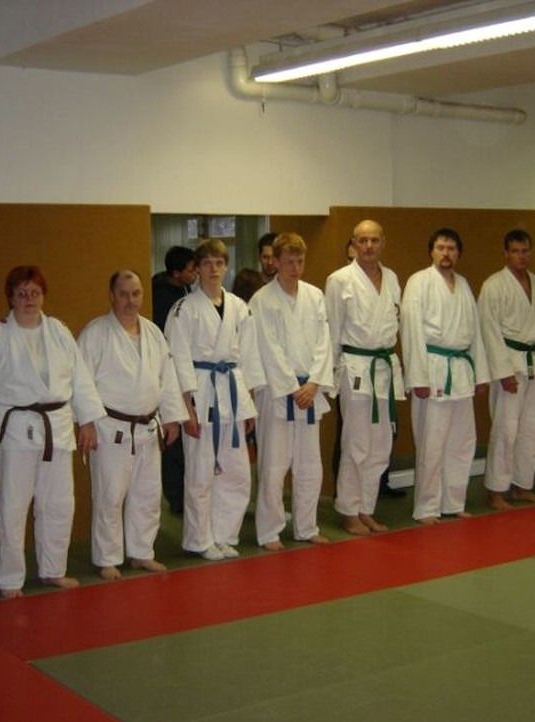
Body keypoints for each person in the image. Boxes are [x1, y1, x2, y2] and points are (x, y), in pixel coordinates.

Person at [0, 266, 104, 598]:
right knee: (12, 506)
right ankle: (10, 579)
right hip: (15, 431)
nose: (29, 299)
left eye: (35, 293)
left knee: (59, 504)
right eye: (22, 294)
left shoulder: (59, 331)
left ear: (44, 296)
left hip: (57, 426)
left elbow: (80, 379)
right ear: (10, 298)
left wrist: (87, 420)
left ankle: (53, 570)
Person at [77, 270, 187, 580]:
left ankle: (142, 552)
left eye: (136, 294)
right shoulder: (95, 333)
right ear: (112, 296)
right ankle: (107, 558)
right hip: (110, 428)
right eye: (123, 294)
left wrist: (171, 417)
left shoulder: (153, 332)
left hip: (148, 427)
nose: (130, 300)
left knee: (147, 494)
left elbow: (167, 379)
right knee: (109, 496)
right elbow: (81, 382)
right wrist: (86, 422)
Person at [164, 239, 265, 560]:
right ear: (196, 269)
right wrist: (186, 408)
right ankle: (199, 539)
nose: (213, 269)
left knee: (237, 471)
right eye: (206, 263)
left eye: (219, 263)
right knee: (201, 472)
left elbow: (249, 356)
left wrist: (249, 404)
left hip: (233, 394)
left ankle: (224, 534)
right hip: (201, 393)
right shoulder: (184, 309)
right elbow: (177, 359)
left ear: (226, 266)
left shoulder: (239, 307)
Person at [249, 232, 333, 550]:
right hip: (277, 393)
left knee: (310, 465)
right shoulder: (262, 300)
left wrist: (314, 383)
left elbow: (324, 342)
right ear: (275, 262)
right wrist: (293, 386)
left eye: (300, 261)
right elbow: (268, 348)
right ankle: (269, 531)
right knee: (274, 465)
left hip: (310, 391)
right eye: (289, 261)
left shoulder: (315, 296)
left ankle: (306, 526)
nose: (295, 268)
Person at [401, 228, 489, 524]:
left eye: (451, 248)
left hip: (461, 370)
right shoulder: (419, 281)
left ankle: (454, 502)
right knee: (432, 442)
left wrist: (481, 374)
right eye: (440, 247)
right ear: (431, 251)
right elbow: (410, 329)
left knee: (462, 441)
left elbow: (475, 331)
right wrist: (418, 377)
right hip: (433, 369)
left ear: (458, 253)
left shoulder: (463, 284)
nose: (446, 253)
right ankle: (427, 507)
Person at [325, 220, 404, 535]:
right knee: (356, 443)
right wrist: (330, 377)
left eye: (374, 240)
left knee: (381, 444)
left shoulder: (392, 278)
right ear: (354, 244)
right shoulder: (339, 280)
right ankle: (349, 510)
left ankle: (366, 507)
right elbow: (332, 331)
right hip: (355, 367)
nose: (369, 246)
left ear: (383, 242)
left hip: (384, 366)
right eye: (362, 240)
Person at [478, 229, 535, 510]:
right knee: (505, 430)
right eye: (515, 251)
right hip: (510, 365)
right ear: (506, 254)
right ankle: (496, 490)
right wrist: (503, 372)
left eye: (525, 251)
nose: (521, 256)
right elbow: (489, 331)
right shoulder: (493, 285)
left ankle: (522, 485)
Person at [151, 245, 196, 515]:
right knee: (172, 443)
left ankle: (184, 493)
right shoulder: (162, 296)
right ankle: (176, 496)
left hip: (183, 369)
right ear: (176, 273)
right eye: (191, 269)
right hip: (166, 371)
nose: (195, 274)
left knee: (183, 442)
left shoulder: (185, 290)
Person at [151, 245, 197, 331]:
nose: (196, 273)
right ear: (176, 274)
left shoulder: (184, 284)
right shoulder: (160, 295)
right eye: (191, 271)